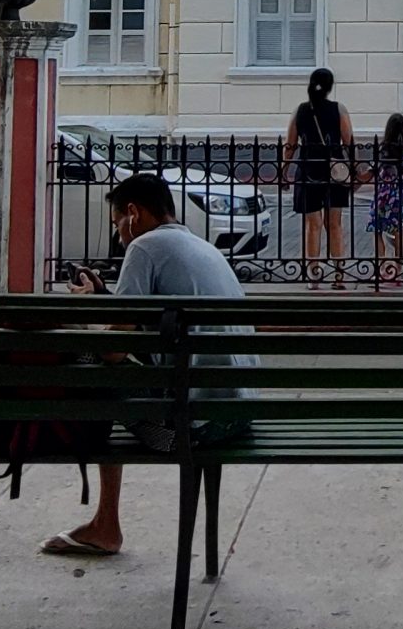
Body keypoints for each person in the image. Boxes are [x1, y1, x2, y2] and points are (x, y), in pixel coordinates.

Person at [49, 172, 253, 557]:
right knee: (112, 372)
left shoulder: (143, 247)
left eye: (117, 225)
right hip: (237, 415)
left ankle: (105, 524)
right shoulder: (199, 246)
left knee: (88, 362)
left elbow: (114, 351)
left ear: (133, 213)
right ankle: (104, 522)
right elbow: (146, 325)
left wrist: (82, 320)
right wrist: (103, 297)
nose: (119, 236)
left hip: (192, 431)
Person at [282, 68, 353, 287]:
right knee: (335, 224)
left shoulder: (300, 110)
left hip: (309, 168)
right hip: (333, 170)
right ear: (330, 87)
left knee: (312, 225)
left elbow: (290, 144)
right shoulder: (339, 109)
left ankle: (313, 275)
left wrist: (284, 170)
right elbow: (348, 142)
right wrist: (354, 170)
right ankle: (339, 275)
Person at [364, 112, 403, 285]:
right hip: (402, 195)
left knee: (377, 230)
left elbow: (373, 171)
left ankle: (381, 268)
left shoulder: (383, 149)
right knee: (400, 232)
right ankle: (397, 269)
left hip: (384, 195)